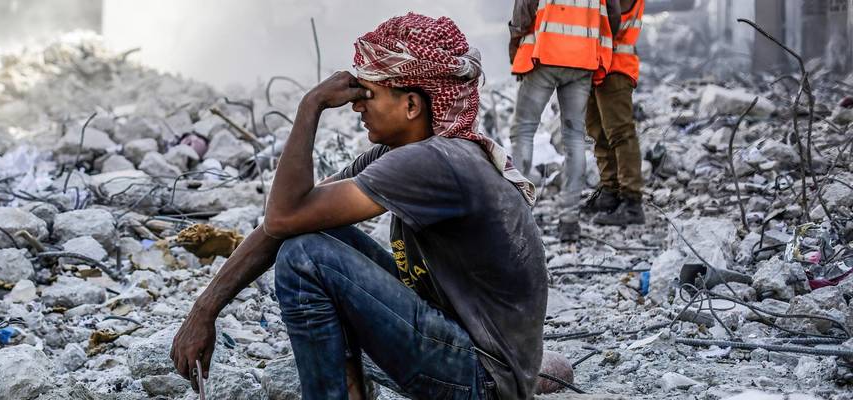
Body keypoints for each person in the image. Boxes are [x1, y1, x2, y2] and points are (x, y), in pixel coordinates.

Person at [170, 13, 547, 400]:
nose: (356, 107)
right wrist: (204, 309)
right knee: (314, 234)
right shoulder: (405, 153)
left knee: (305, 256)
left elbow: (282, 215)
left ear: (412, 105)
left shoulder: (435, 161)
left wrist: (310, 106)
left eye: (368, 94)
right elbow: (284, 221)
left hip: (483, 381)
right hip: (464, 350)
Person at [508, 0, 616, 241]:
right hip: (583, 59)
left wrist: (516, 45)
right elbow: (613, 15)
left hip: (545, 55)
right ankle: (570, 221)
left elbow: (524, 10)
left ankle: (516, 215)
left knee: (523, 132)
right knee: (575, 138)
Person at [584, 0, 647, 226]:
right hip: (596, 65)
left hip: (615, 66)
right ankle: (610, 193)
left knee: (620, 133)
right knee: (598, 131)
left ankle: (632, 203)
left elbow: (609, 20)